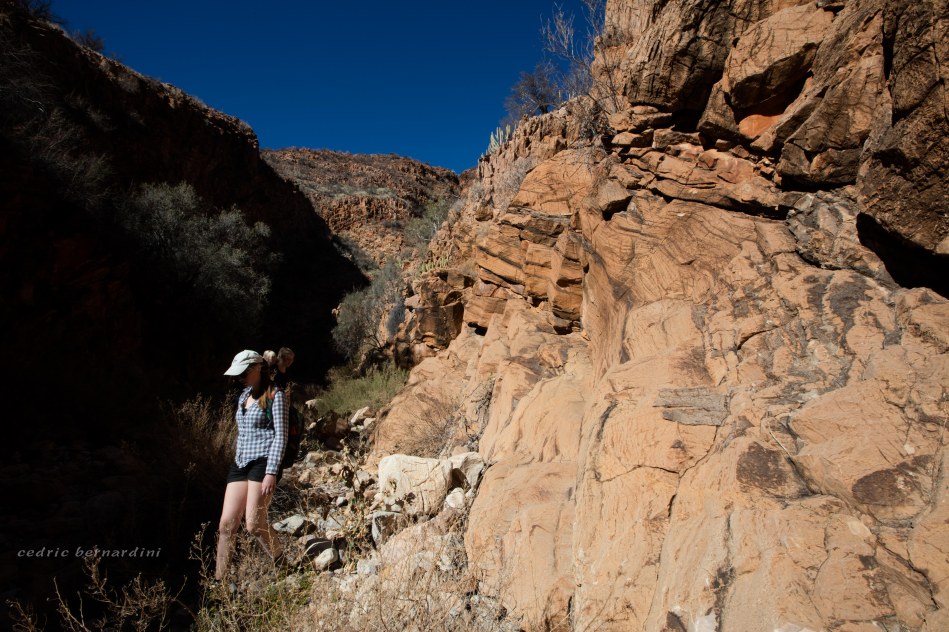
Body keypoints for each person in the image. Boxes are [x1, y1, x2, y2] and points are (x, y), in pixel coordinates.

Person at [214, 349, 288, 580]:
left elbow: (280, 435)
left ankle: (281, 561)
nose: (239, 378)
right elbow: (242, 431)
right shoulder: (243, 395)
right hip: (241, 462)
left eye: (243, 372)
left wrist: (271, 472)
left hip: (263, 462)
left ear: (257, 368)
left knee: (254, 524)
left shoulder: (276, 395)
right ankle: (220, 582)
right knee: (226, 524)